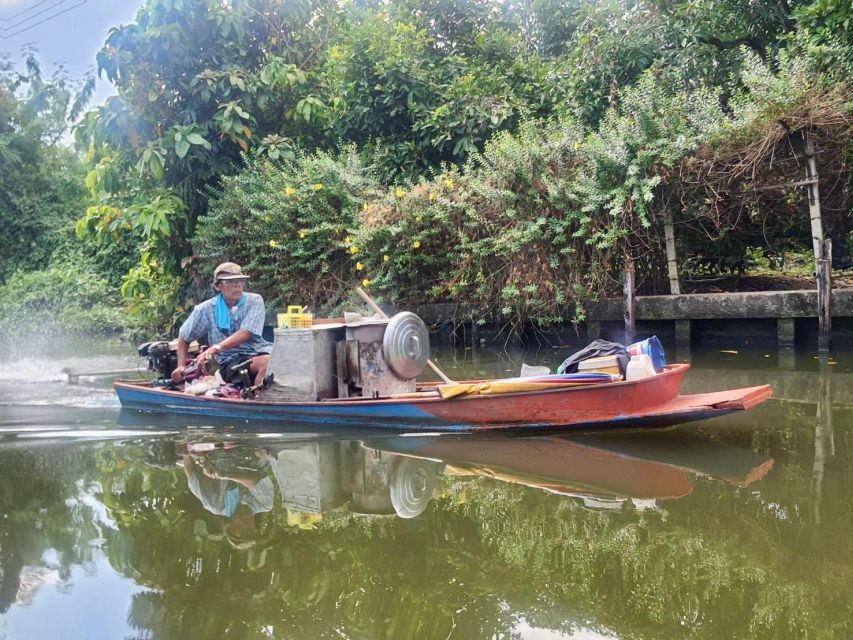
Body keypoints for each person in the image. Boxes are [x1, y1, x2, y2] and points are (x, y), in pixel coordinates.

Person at [172, 261, 272, 386]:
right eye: (230, 282)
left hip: (260, 351)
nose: (237, 285)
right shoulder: (205, 309)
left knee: (284, 360)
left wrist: (215, 348)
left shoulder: (254, 301)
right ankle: (260, 400)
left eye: (240, 281)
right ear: (218, 286)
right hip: (231, 361)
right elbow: (184, 336)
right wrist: (181, 365)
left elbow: (246, 333)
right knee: (266, 363)